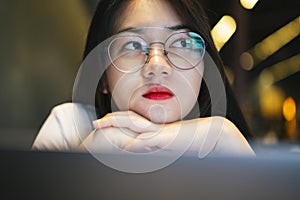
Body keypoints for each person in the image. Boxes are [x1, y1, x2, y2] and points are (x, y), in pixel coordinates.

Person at [32, 0, 254, 156]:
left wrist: (233, 149)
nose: (156, 66)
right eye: (132, 45)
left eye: (182, 43)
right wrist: (85, 165)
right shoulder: (70, 128)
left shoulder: (225, 143)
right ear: (102, 78)